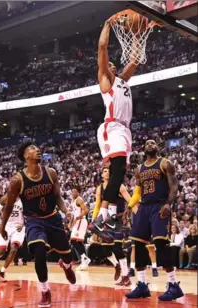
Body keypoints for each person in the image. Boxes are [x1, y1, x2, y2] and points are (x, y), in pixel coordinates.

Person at [0, 142, 76, 308]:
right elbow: (9, 205)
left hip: (53, 218)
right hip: (34, 220)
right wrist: (2, 226)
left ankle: (67, 265)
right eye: (33, 149)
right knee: (39, 251)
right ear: (26, 156)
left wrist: (66, 211)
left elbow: (57, 197)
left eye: (37, 148)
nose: (38, 150)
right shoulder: (17, 181)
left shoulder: (51, 173)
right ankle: (45, 290)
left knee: (67, 255)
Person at [91, 19, 139, 234]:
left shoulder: (121, 80)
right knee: (117, 169)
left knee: (120, 172)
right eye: (107, 65)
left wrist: (139, 32)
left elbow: (135, 59)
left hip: (124, 130)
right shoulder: (106, 81)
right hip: (112, 128)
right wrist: (108, 24)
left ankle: (105, 218)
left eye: (112, 64)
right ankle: (104, 216)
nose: (111, 65)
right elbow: (102, 47)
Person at [123, 140, 184, 301]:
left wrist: (168, 204)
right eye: (147, 143)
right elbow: (137, 192)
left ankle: (174, 285)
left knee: (160, 244)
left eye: (153, 143)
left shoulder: (165, 163)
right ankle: (142, 284)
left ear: (157, 148)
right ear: (143, 149)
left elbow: (174, 186)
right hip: (144, 207)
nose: (150, 144)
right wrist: (129, 207)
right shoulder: (139, 169)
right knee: (138, 244)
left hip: (159, 206)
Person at [92, 167, 131, 286]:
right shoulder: (100, 188)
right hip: (106, 219)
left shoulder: (119, 186)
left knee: (117, 247)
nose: (107, 172)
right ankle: (117, 265)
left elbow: (130, 200)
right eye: (104, 171)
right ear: (101, 175)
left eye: (109, 171)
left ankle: (126, 277)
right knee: (105, 249)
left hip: (118, 219)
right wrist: (95, 220)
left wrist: (128, 212)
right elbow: (98, 205)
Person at [0, 195, 25, 281]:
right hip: (6, 226)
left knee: (14, 249)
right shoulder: (5, 198)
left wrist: (23, 224)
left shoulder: (24, 199)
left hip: (18, 227)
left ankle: (1, 272)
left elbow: (30, 214)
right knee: (1, 250)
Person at [69, 186, 91, 271]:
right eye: (72, 191)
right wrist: (71, 223)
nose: (73, 193)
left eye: (75, 191)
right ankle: (84, 260)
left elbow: (86, 210)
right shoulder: (73, 200)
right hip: (77, 222)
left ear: (78, 192)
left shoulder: (79, 200)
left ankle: (84, 259)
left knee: (74, 241)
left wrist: (78, 217)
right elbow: (74, 213)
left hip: (81, 221)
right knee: (76, 242)